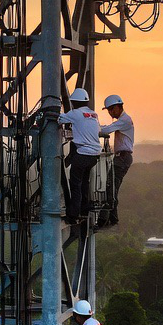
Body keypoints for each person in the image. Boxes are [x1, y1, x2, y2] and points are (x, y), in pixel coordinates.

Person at [58, 88, 100, 224]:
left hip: (83, 154)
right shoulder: (93, 114)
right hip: (94, 155)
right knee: (84, 183)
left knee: (75, 184)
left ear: (74, 102)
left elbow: (59, 119)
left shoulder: (75, 113)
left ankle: (73, 214)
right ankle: (84, 208)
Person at [98, 93, 134, 228]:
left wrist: (91, 129)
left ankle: (103, 219)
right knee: (112, 187)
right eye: (108, 110)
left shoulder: (124, 120)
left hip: (122, 157)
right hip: (122, 157)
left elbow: (107, 129)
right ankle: (113, 218)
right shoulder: (123, 120)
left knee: (111, 187)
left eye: (111, 110)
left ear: (118, 107)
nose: (110, 113)